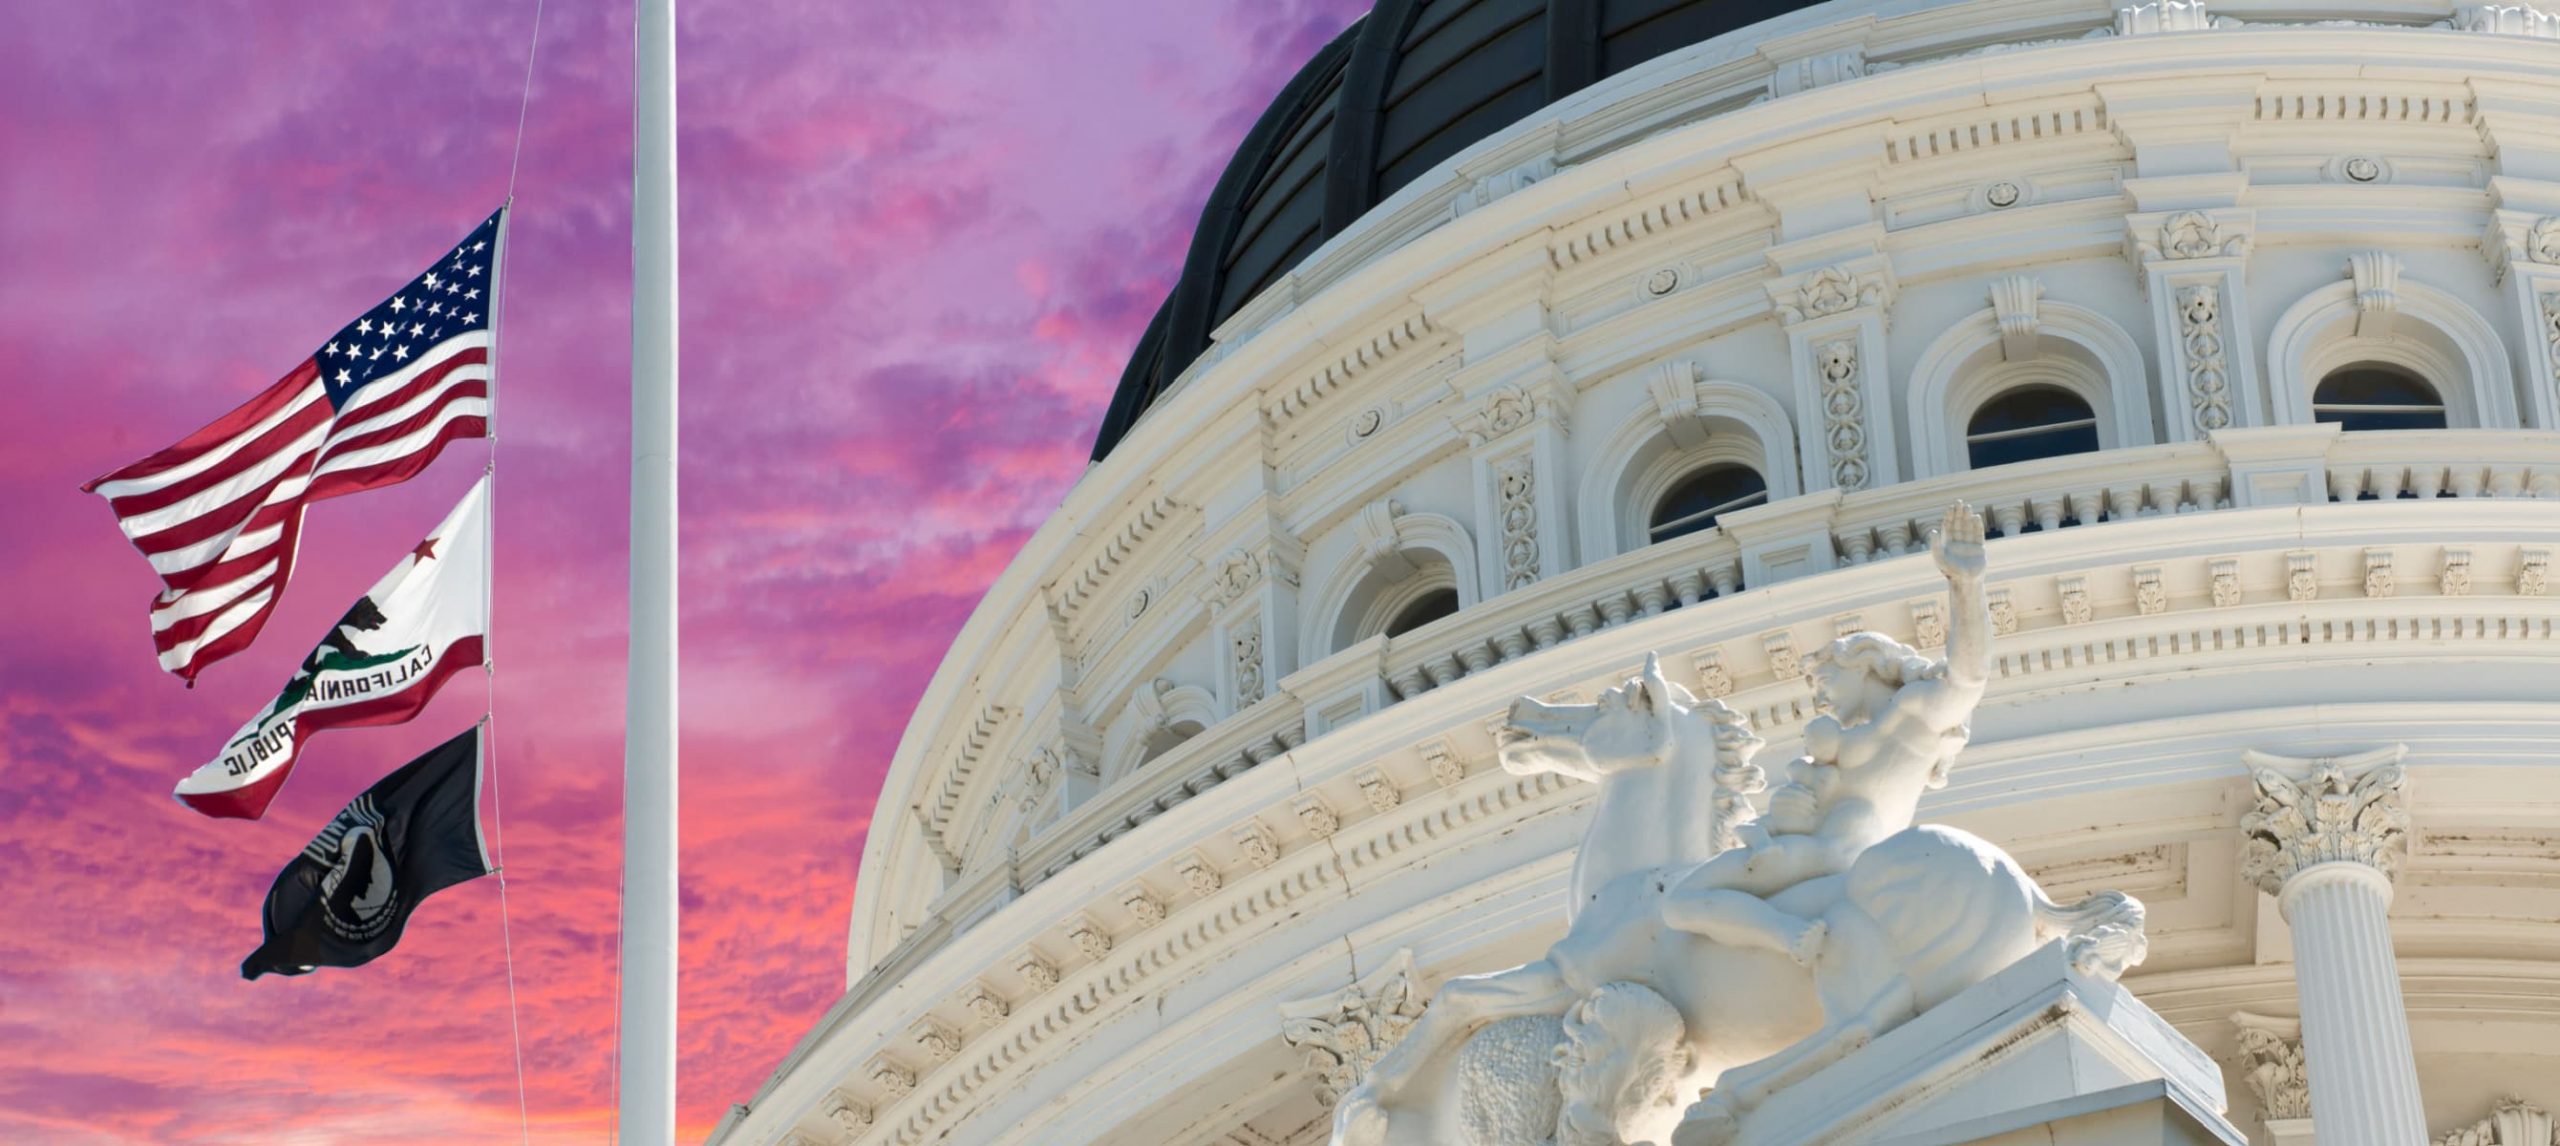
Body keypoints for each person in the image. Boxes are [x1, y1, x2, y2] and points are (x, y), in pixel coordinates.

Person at [1658, 502, 1992, 963]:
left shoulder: (1913, 714)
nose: (1818, 700)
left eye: (1824, 681)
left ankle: (1785, 933)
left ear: (1863, 666)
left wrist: (1966, 585)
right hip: (1816, 850)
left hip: (1836, 854)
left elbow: (1968, 678)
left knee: (1679, 903)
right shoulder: (1857, 739)